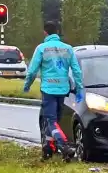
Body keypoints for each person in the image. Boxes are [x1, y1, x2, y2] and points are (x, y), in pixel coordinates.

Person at [23, 20, 84, 160]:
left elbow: (32, 71)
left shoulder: (42, 48)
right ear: (57, 32)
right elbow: (76, 70)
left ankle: (64, 146)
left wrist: (27, 85)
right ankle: (48, 150)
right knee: (55, 120)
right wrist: (79, 88)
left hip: (48, 90)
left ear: (45, 32)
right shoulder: (68, 49)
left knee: (51, 121)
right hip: (63, 90)